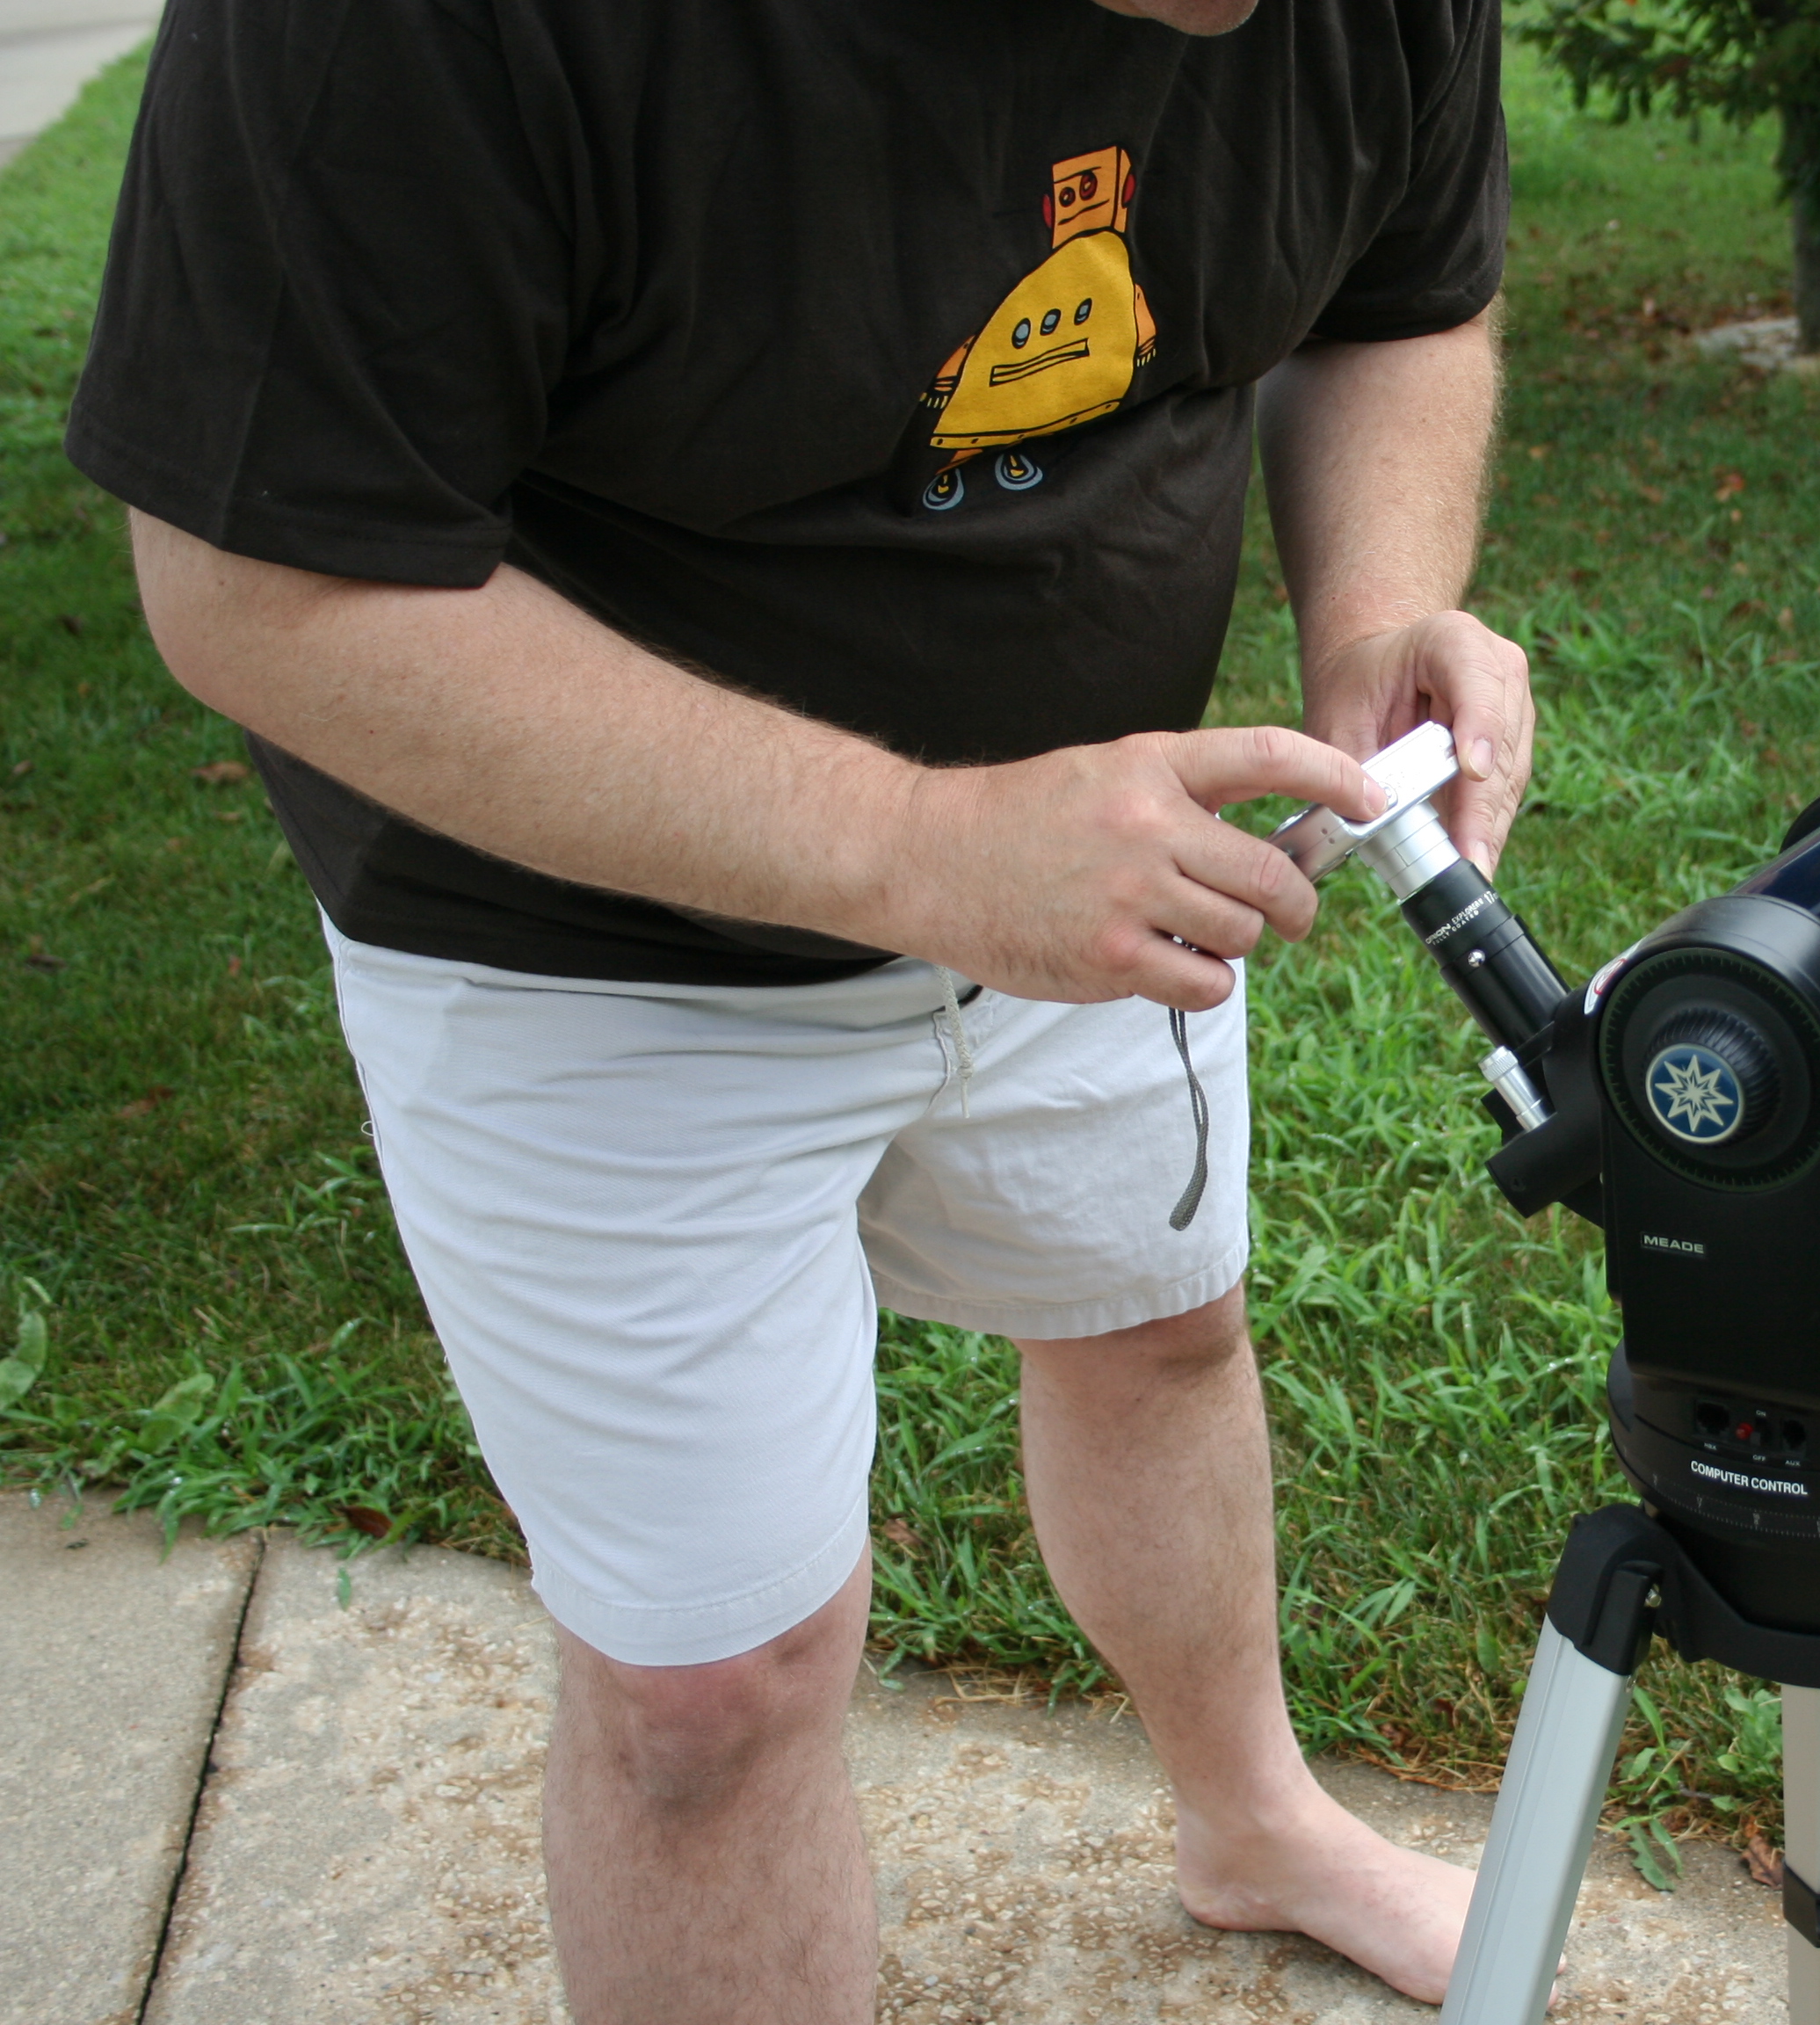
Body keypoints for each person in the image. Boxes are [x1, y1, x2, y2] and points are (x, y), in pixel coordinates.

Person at [69, 0, 1534, 2016]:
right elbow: (255, 583)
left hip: (1104, 850)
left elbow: (1401, 296)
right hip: (572, 931)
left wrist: (1374, 610)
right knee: (709, 1689)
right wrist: (924, 846)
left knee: (1156, 1340)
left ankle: (1255, 1819)